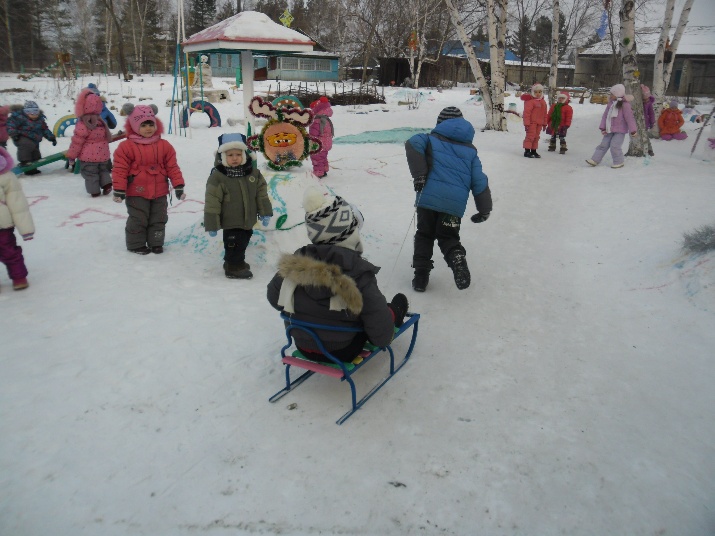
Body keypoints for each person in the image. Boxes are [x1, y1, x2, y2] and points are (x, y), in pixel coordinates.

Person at [267, 187, 409, 363]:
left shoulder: (297, 264)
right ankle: (396, 310)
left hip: (302, 344)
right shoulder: (358, 273)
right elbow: (381, 335)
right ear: (349, 234)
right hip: (342, 350)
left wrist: (306, 308)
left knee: (372, 309)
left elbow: (274, 298)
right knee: (382, 311)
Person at [405, 106, 492, 292]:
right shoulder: (470, 152)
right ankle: (456, 256)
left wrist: (419, 174)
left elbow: (412, 143)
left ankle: (421, 276)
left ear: (440, 124)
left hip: (428, 199)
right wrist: (484, 209)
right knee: (447, 237)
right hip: (453, 205)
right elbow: (480, 181)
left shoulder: (429, 139)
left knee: (424, 234)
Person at [111, 103, 186, 255]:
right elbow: (120, 169)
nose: (148, 128)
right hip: (136, 191)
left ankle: (156, 242)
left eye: (151, 124)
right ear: (134, 125)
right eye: (143, 125)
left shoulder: (164, 146)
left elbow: (172, 166)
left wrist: (178, 185)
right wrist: (119, 190)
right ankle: (136, 244)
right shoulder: (126, 147)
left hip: (159, 190)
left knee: (159, 218)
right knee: (138, 218)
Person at [204, 133, 273, 280]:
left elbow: (261, 194)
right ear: (222, 156)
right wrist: (212, 223)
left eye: (238, 154)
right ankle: (233, 267)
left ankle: (235, 262)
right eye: (230, 155)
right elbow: (212, 201)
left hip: (248, 219)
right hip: (230, 220)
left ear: (244, 154)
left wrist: (265, 212)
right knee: (233, 244)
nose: (234, 158)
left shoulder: (253, 174)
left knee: (242, 242)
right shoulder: (218, 176)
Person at [66, 88, 113, 197]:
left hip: (88, 157)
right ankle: (106, 184)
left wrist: (72, 156)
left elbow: (77, 142)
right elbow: (108, 136)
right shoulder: (101, 121)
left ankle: (94, 191)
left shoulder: (83, 123)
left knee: (90, 173)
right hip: (103, 154)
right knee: (103, 170)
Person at [0, 147, 34, 291]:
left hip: (2, 224)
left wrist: (26, 229)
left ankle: (19, 277)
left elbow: (17, 203)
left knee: (8, 250)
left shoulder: (5, 176)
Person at [586, 84, 637, 169]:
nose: (610, 95)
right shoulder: (610, 104)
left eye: (612, 94)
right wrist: (603, 127)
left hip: (620, 131)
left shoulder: (625, 105)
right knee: (603, 144)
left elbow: (630, 118)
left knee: (615, 146)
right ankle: (595, 160)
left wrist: (633, 130)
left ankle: (619, 162)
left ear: (617, 94)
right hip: (609, 129)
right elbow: (605, 116)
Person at [6, 101, 57, 175]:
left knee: (35, 154)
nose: (33, 114)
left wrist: (51, 137)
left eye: (35, 111)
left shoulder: (40, 119)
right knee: (27, 145)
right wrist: (14, 134)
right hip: (20, 137)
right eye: (29, 112)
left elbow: (44, 129)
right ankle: (24, 161)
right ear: (25, 112)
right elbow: (10, 125)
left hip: (34, 139)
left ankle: (32, 169)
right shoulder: (19, 117)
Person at [308, 96, 334, 178]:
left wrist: (309, 140)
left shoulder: (316, 121)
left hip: (319, 144)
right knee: (323, 157)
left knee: (317, 158)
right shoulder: (326, 119)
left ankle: (319, 172)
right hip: (326, 144)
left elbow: (313, 134)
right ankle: (324, 169)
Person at [521, 83, 548, 158]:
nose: (538, 94)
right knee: (530, 136)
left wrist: (544, 123)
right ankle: (527, 151)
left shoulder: (543, 102)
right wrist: (526, 123)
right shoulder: (530, 102)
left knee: (536, 137)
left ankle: (534, 150)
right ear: (533, 92)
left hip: (539, 123)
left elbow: (545, 114)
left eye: (539, 92)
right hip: (531, 123)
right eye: (535, 92)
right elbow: (526, 113)